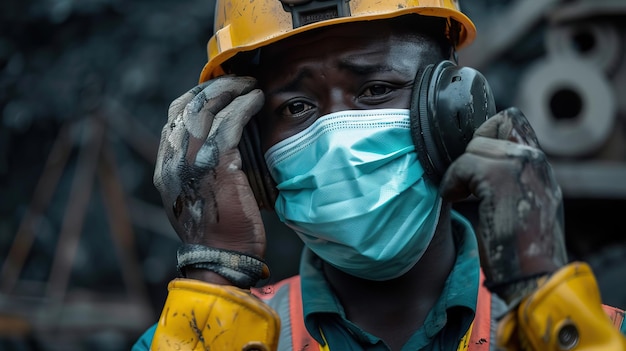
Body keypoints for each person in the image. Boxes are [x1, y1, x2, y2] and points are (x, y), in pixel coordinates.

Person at [134, 0, 626, 350]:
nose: (336, 139)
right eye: (299, 106)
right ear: (253, 151)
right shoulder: (193, 333)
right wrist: (215, 278)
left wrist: (542, 293)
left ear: (453, 108)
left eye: (375, 89)